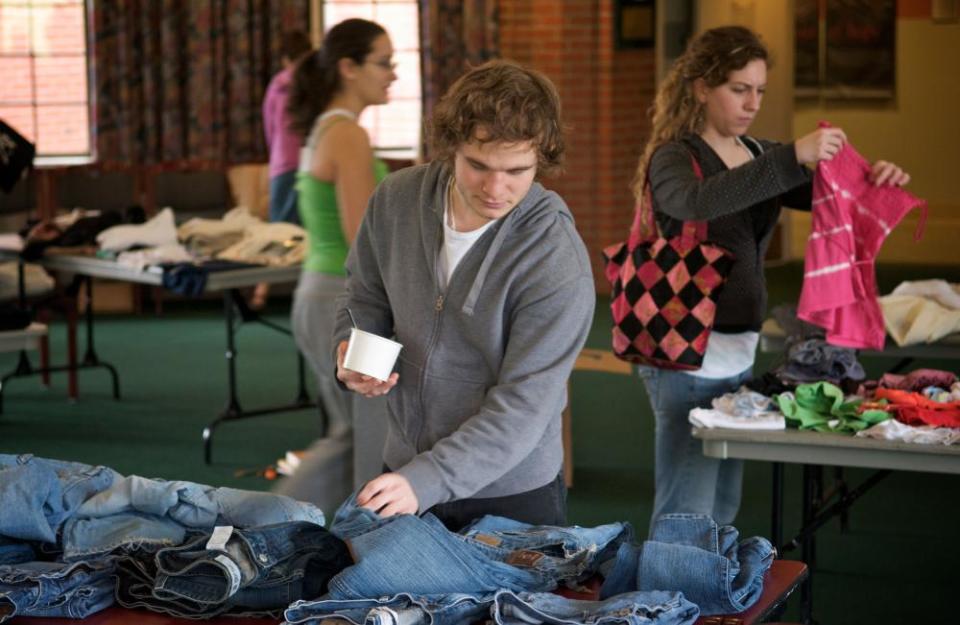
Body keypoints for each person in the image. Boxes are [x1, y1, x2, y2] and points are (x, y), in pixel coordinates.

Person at [633, 25, 910, 526]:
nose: (752, 103)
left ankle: (701, 602)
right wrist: (791, 158)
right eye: (739, 89)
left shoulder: (758, 154)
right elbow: (702, 199)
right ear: (701, 88)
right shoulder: (676, 157)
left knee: (721, 507)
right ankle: (669, 601)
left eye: (760, 90)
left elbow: (836, 199)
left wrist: (875, 179)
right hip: (685, 353)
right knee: (686, 511)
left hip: (737, 350)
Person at [332, 60, 595, 530]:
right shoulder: (396, 199)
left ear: (542, 159)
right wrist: (354, 349)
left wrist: (427, 479)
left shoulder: (556, 258)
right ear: (451, 146)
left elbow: (524, 406)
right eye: (478, 165)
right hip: (407, 471)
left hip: (509, 493)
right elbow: (365, 294)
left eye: (517, 170)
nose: (496, 189)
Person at [274, 18, 397, 516]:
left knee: (355, 432)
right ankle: (267, 524)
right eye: (384, 63)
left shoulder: (329, 128)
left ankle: (273, 526)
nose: (393, 75)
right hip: (339, 301)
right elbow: (363, 244)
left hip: (322, 295)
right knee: (362, 436)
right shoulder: (346, 135)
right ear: (348, 67)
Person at [253, 29, 313, 309]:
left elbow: (269, 127)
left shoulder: (277, 87)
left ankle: (263, 292)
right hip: (299, 164)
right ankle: (262, 291)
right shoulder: (305, 86)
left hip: (287, 164)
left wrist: (274, 155)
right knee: (286, 230)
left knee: (286, 229)